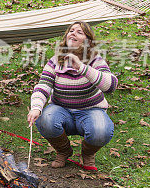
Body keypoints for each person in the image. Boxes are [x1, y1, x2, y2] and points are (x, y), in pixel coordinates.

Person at [26, 21, 118, 171]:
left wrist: (82, 68)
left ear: (88, 41)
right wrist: (36, 107)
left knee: (101, 130)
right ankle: (63, 151)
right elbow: (44, 85)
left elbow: (111, 85)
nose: (73, 33)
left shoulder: (95, 59)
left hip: (91, 111)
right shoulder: (55, 61)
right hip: (61, 110)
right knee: (45, 119)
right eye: (71, 30)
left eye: (79, 32)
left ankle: (87, 154)